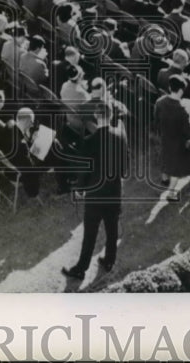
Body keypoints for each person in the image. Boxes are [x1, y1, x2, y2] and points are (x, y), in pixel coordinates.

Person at [62, 101, 130, 280]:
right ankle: (109, 260)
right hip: (114, 191)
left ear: (96, 118)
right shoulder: (121, 136)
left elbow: (84, 171)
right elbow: (124, 169)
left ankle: (81, 269)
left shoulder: (89, 141)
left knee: (90, 233)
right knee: (112, 228)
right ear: (110, 116)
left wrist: (79, 189)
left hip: (95, 194)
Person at [154, 76, 190, 187]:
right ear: (180, 90)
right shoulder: (182, 110)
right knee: (177, 168)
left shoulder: (159, 102)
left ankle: (164, 179)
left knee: (166, 157)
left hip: (164, 136)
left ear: (170, 87)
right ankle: (171, 194)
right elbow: (188, 132)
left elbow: (156, 119)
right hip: (178, 142)